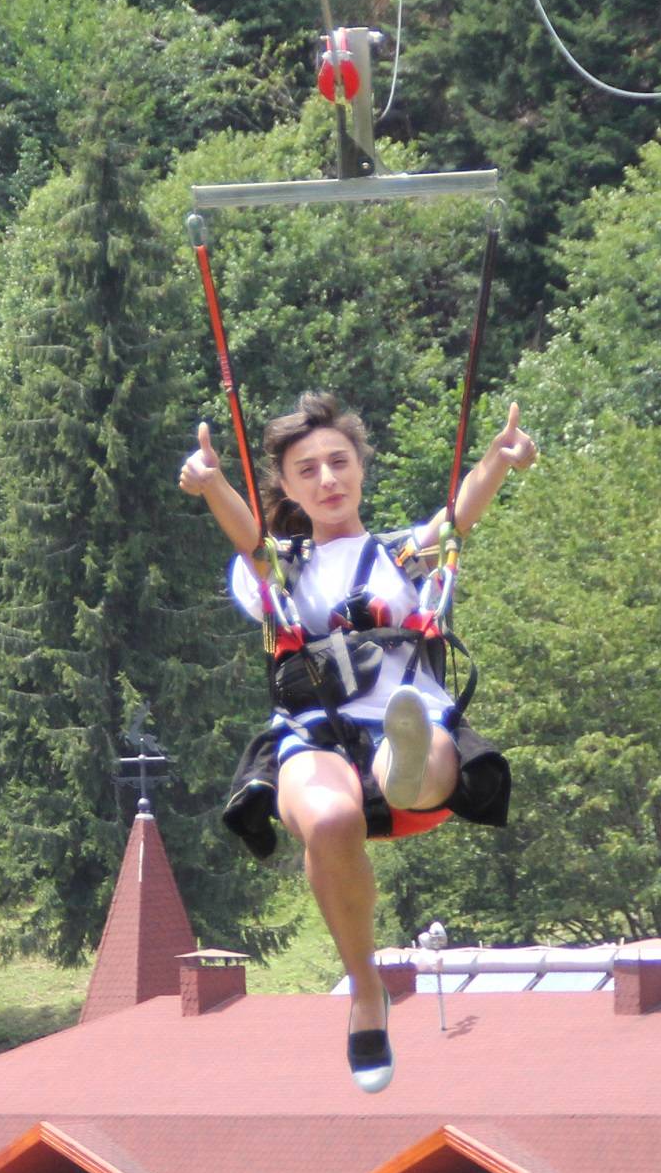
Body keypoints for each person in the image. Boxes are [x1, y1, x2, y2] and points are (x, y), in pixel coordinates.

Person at [181, 392, 535, 1091]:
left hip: (409, 727)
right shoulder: (277, 565)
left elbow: (462, 515)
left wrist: (496, 458)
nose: (327, 479)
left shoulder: (403, 552)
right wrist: (213, 481)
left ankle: (403, 760)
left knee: (418, 753)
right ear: (285, 486)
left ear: (361, 468)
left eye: (339, 462)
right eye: (307, 470)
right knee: (334, 817)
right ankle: (365, 989)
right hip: (315, 736)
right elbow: (245, 538)